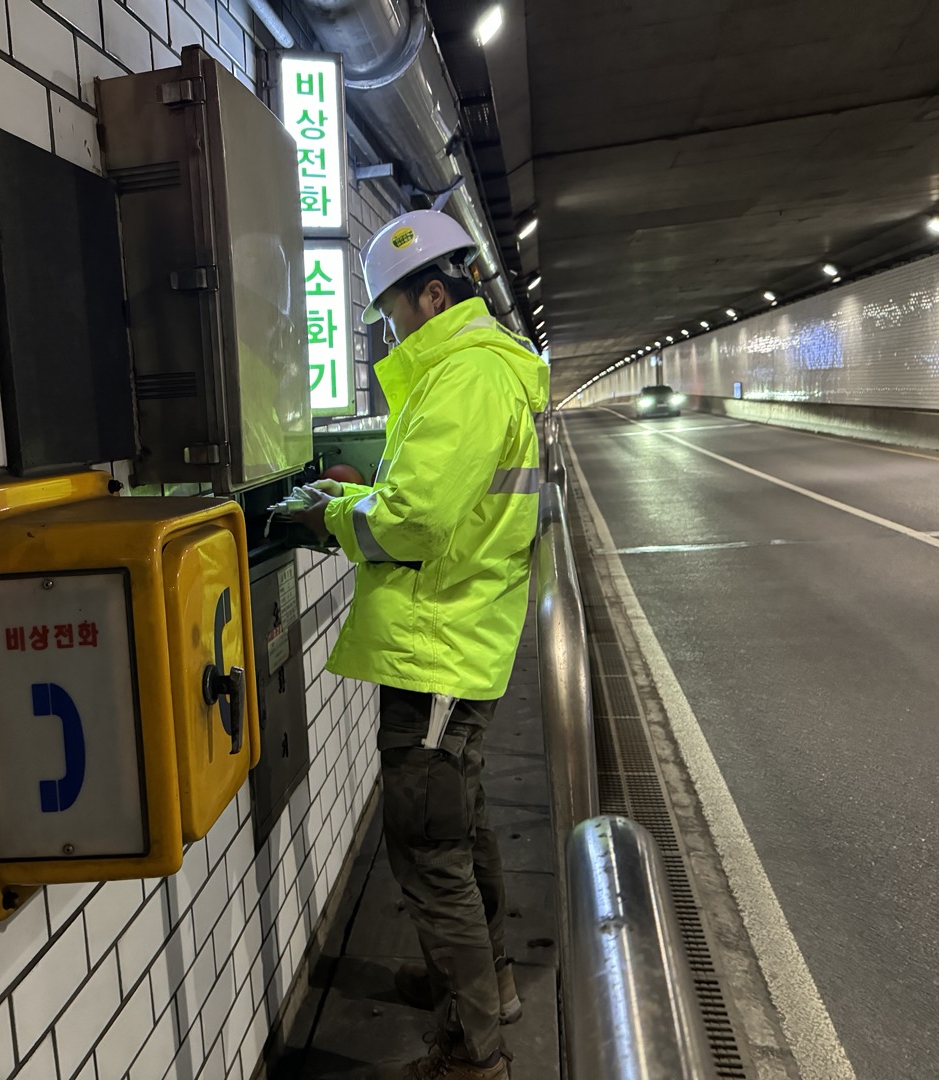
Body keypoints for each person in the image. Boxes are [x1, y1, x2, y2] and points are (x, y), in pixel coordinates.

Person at [292, 210, 549, 1080]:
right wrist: (369, 489)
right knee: (459, 825)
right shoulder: (476, 372)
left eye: (395, 310)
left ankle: (474, 1051)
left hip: (437, 647)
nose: (392, 327)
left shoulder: (464, 378)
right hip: (457, 636)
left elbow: (413, 523)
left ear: (431, 294)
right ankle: (487, 985)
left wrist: (329, 515)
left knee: (428, 844)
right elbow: (435, 496)